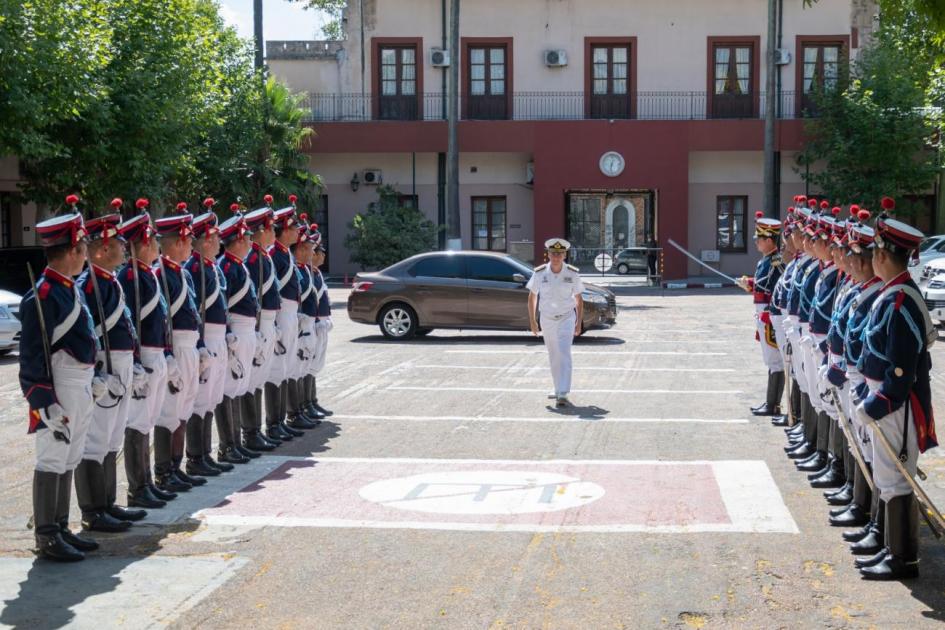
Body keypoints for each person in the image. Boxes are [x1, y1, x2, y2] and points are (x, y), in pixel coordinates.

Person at [852, 199, 936, 581]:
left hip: (895, 406)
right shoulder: (893, 292)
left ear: (884, 255)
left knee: (897, 480)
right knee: (887, 478)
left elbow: (899, 373)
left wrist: (877, 402)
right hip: (885, 402)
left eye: (875, 252)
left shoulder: (901, 300)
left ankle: (903, 559)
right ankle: (888, 545)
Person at [20, 200, 101, 561]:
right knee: (52, 457)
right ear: (71, 251)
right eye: (83, 250)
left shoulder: (69, 287)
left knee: (70, 456)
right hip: (59, 386)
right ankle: (46, 535)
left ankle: (62, 526)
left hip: (79, 383)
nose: (86, 257)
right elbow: (33, 356)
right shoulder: (44, 295)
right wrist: (42, 401)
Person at [75, 208, 142, 533]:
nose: (123, 248)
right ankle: (93, 509)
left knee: (112, 436)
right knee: (96, 439)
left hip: (122, 362)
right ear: (101, 248)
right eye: (117, 243)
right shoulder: (89, 285)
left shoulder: (109, 280)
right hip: (105, 364)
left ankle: (108, 502)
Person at [118, 205, 175, 509]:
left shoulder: (147, 275)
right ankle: (137, 487)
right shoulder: (130, 277)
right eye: (152, 241)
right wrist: (138, 361)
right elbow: (129, 325)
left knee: (149, 419)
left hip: (156, 354)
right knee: (137, 423)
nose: (156, 246)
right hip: (143, 356)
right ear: (139, 245)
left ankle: (147, 481)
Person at [153, 208, 207, 492]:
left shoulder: (181, 273)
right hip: (173, 348)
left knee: (184, 407)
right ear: (177, 243)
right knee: (169, 411)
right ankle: (163, 470)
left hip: (188, 346)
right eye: (187, 241)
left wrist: (199, 347)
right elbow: (158, 320)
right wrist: (166, 355)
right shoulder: (161, 274)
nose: (191, 245)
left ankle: (176, 464)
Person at [185, 204, 233, 477]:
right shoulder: (194, 268)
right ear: (202, 241)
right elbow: (196, 312)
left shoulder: (211, 267)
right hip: (203, 339)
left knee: (210, 398)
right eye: (213, 238)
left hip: (217, 338)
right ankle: (195, 456)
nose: (218, 242)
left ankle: (204, 453)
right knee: (198, 399)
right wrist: (201, 344)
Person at [216, 212, 257, 464]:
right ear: (238, 239)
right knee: (228, 388)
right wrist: (228, 333)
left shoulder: (238, 265)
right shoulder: (227, 267)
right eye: (248, 237)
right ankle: (227, 445)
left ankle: (235, 441)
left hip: (246, 330)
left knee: (239, 385)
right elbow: (224, 307)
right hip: (233, 331)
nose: (251, 242)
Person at [243, 198, 282, 451]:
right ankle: (251, 432)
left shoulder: (264, 257)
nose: (272, 233)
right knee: (249, 379)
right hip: (254, 325)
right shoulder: (254, 260)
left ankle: (257, 430)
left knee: (259, 378)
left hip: (267, 322)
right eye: (269, 228)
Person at [526, 238, 584, 408]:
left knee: (564, 352)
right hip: (547, 319)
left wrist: (578, 323)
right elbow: (532, 296)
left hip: (566, 317)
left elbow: (579, 299)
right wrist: (533, 321)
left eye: (559, 253)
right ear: (548, 254)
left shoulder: (572, 273)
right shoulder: (540, 273)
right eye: (553, 253)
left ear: (564, 255)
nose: (556, 256)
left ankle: (563, 392)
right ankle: (557, 386)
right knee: (553, 354)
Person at [738, 212, 784, 417]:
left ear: (769, 240)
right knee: (770, 359)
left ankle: (773, 404)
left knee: (775, 360)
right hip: (762, 315)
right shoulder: (765, 260)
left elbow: (775, 290)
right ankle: (770, 402)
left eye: (760, 239)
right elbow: (761, 286)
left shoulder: (777, 262)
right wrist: (750, 284)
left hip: (769, 315)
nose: (756, 242)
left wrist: (752, 285)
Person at [266, 203, 303, 440]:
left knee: (287, 366)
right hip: (280, 313)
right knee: (276, 368)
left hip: (290, 312)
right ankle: (273, 423)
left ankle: (281, 420)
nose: (298, 231)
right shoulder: (274, 254)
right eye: (294, 227)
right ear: (285, 229)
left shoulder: (284, 253)